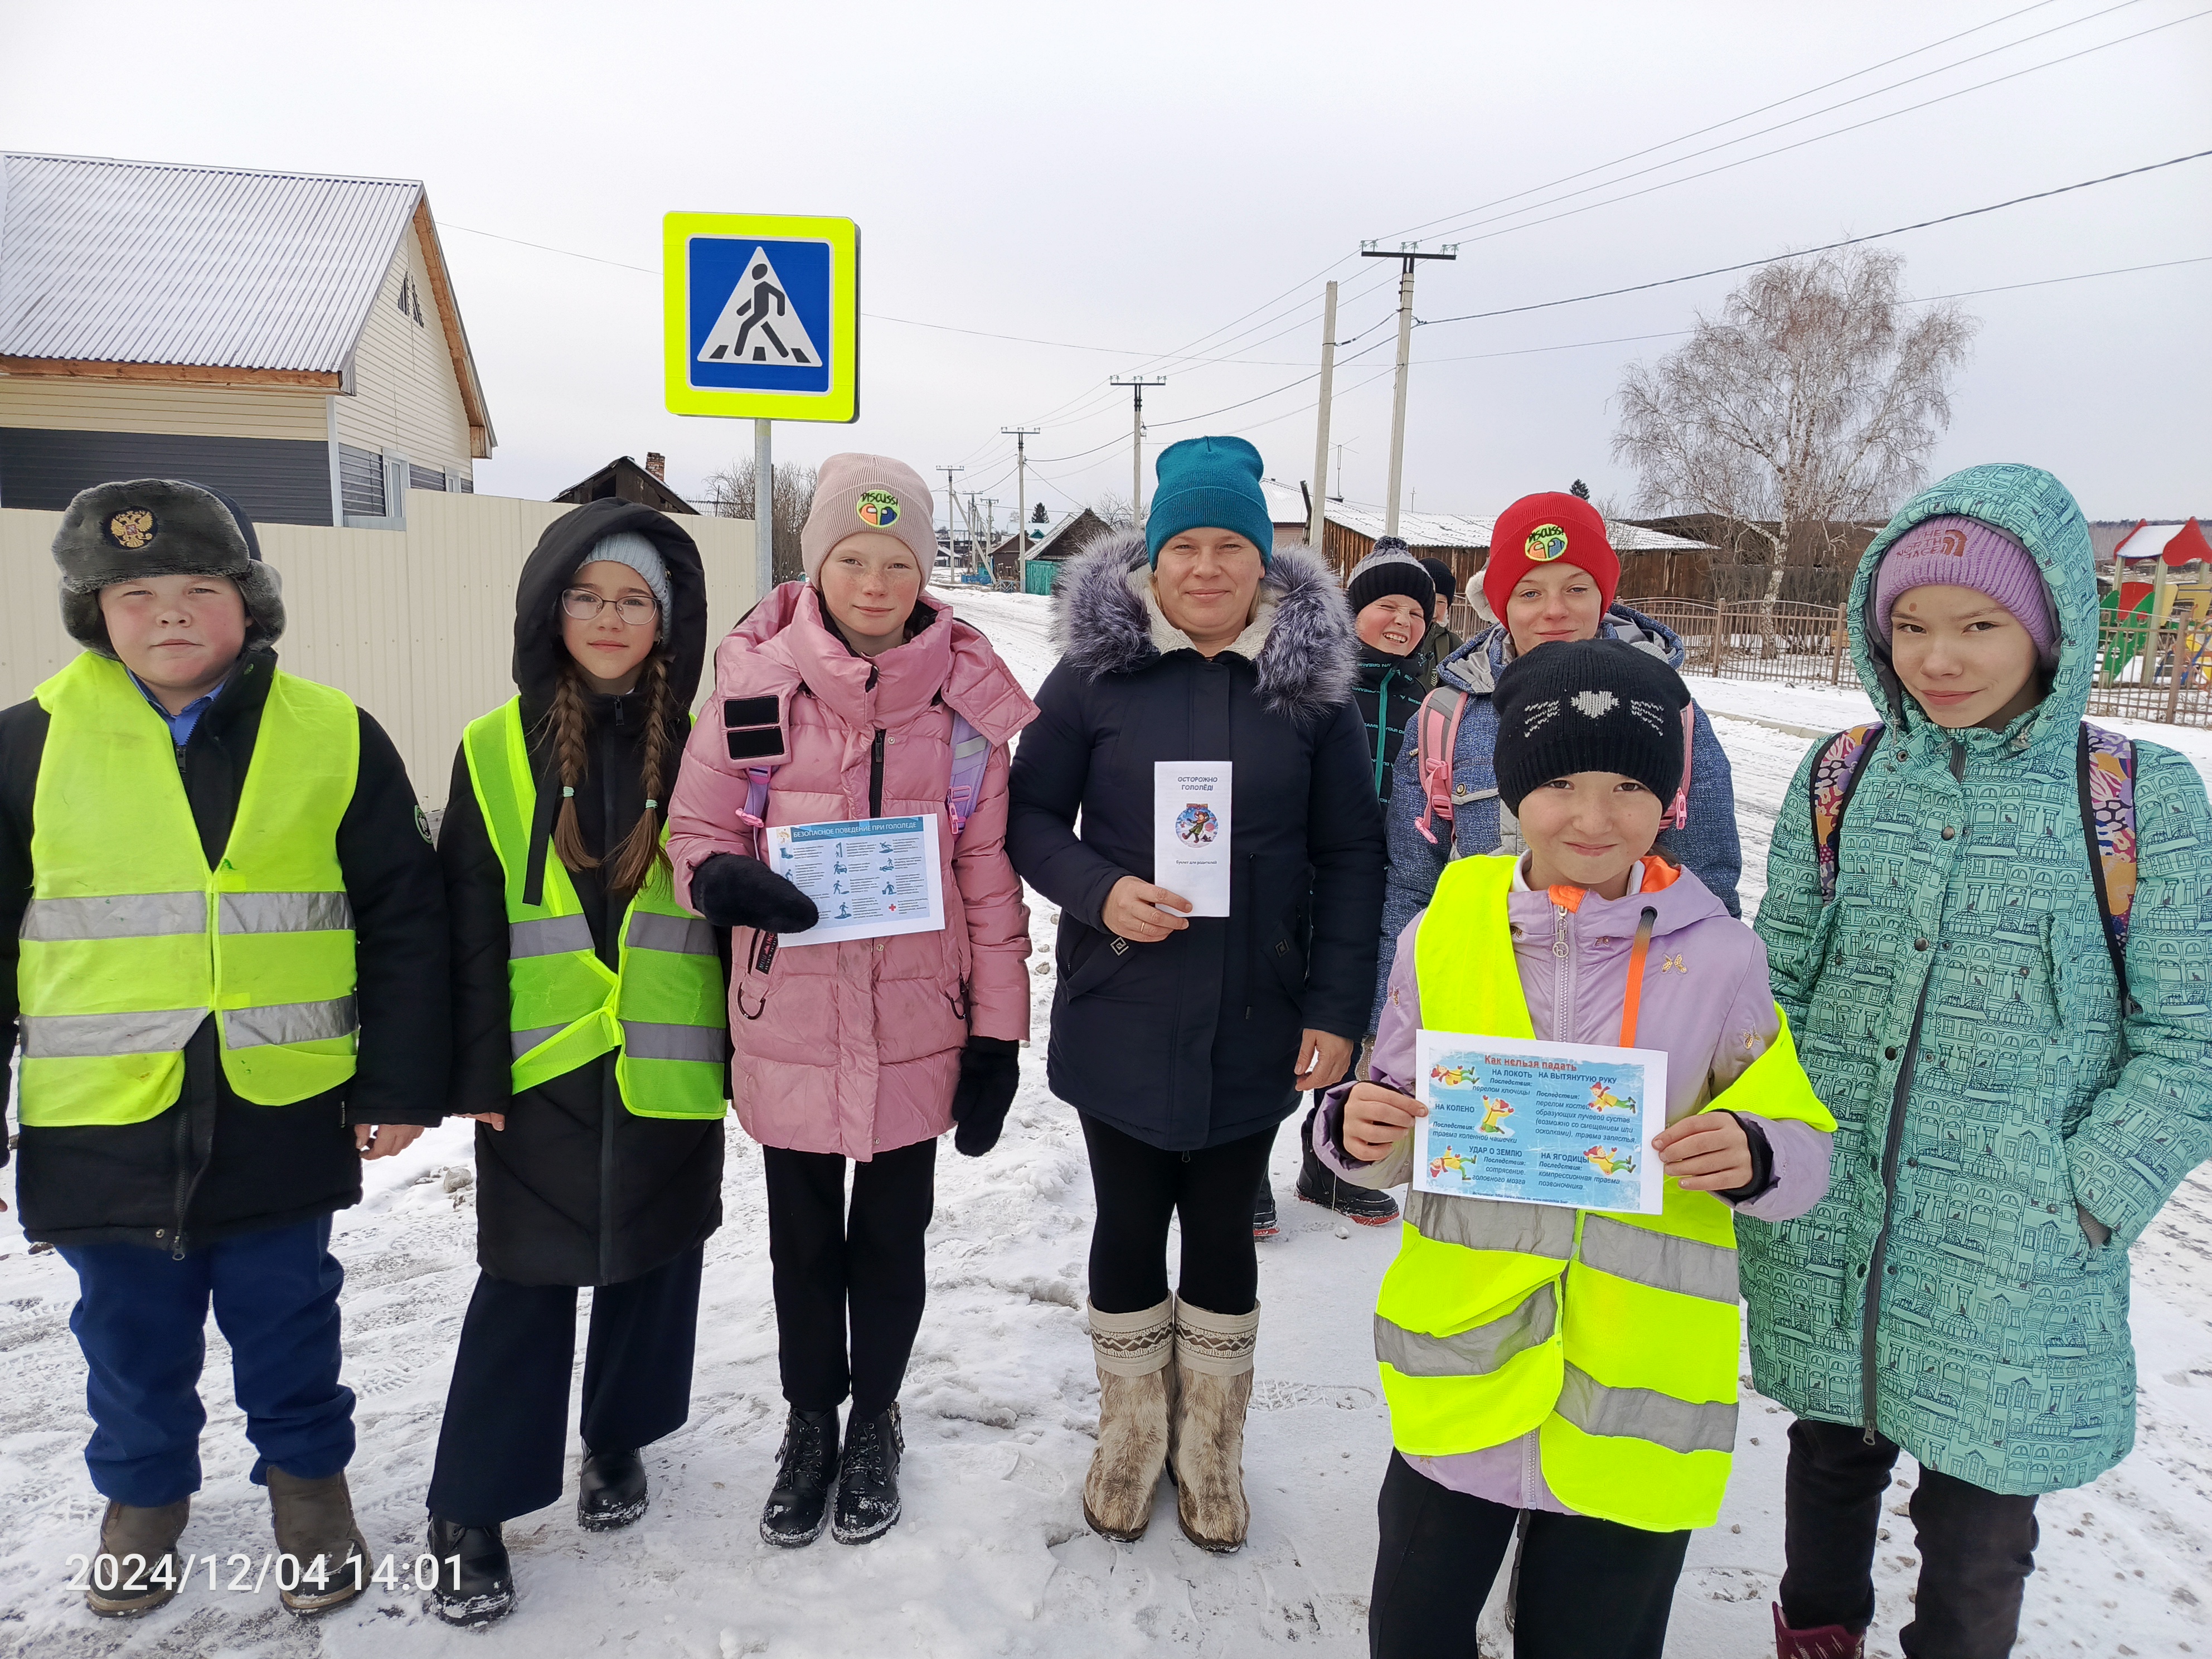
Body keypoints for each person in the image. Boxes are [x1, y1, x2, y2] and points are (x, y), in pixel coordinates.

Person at [1741, 464, 2212, 1659]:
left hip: (2017, 1246)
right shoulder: (1842, 779)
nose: (1938, 659)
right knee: (1827, 1457)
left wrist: (2087, 1195)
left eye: (1977, 625)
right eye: (1910, 625)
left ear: (2049, 622)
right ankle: (1817, 1634)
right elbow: (1775, 985)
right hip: (1836, 1218)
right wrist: (1766, 1141)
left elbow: (2189, 1037)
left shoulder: (2134, 795)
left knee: (1980, 1523)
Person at [1314, 638, 1835, 1659]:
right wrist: (1351, 1129)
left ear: (1666, 801)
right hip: (1464, 1370)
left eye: (1626, 787)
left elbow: (1801, 1150)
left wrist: (1755, 1150)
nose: (1592, 818)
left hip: (1631, 1392)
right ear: (1509, 789)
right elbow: (1386, 1099)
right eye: (1557, 783)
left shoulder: (1721, 956)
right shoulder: (1443, 930)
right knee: (1412, 1633)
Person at [0, 479, 448, 1618]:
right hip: (102, 1119)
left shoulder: (335, 733)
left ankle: (311, 1495)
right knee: (127, 1338)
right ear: (94, 611)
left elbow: (403, 919)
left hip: (279, 1105)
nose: (168, 615)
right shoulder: (27, 747)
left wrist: (398, 1083)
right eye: (134, 593)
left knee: (287, 1318)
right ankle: (142, 1503)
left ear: (250, 604)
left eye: (201, 588)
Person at [1006, 435, 1383, 1554]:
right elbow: (1028, 819)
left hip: (1256, 1018)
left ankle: (1209, 1445)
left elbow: (1352, 857)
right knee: (1127, 1220)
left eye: (1232, 547)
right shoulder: (1091, 678)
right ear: (1153, 560)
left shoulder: (1310, 690)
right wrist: (1098, 888)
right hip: (1119, 1006)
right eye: (1186, 546)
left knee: (1221, 1225)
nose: (1207, 567)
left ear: (1266, 566)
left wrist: (1335, 1008)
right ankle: (1129, 1436)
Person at [667, 453, 1036, 1549]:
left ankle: (876, 1416)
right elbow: (700, 832)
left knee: (892, 1237)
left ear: (922, 570)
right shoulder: (754, 690)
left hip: (921, 1018)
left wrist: (999, 1038)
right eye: (850, 559)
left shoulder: (964, 717)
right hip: (793, 1020)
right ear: (815, 562)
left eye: (896, 561)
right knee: (798, 1244)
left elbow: (988, 881)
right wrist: (719, 881)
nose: (874, 583)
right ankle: (809, 1420)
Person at [423, 501, 726, 1624]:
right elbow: (465, 924)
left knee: (656, 1260)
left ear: (666, 619)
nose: (608, 619)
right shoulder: (494, 748)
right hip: (541, 1069)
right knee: (526, 1283)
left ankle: (618, 1437)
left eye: (633, 599)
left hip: (668, 1056)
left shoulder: (708, 739)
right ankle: (471, 1507)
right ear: (552, 610)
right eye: (588, 595)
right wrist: (472, 1075)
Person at [1379, 491, 1742, 1036]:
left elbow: (1708, 883)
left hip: (1628, 1018)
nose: (1554, 610)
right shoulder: (1444, 717)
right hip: (1476, 1012)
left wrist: (1711, 1030)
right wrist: (1387, 1023)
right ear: (1501, 605)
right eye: (1529, 592)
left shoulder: (1669, 713)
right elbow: (1411, 887)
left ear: (1603, 596)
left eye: (1576, 587)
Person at [1260, 540, 1437, 1237]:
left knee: (1356, 1022)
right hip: (1300, 874)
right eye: (1384, 606)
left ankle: (1326, 1165)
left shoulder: (1432, 704)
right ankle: (1243, 1167)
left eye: (1415, 612)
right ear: (1351, 610)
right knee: (1274, 1015)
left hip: (1385, 883)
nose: (1400, 621)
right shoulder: (1310, 685)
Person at [1416, 555, 1462, 664]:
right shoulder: (1397, 637)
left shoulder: (1453, 645)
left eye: (1441, 602)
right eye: (1427, 601)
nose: (1433, 611)